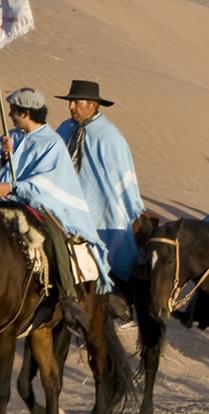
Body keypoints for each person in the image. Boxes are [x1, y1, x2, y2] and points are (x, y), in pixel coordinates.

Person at [0, 89, 112, 312]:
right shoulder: (11, 137)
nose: (10, 115)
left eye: (13, 111)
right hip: (2, 201)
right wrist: (3, 156)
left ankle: (68, 295)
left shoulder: (51, 143)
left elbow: (47, 183)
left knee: (53, 237)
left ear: (25, 112)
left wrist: (14, 187)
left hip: (36, 204)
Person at [54, 80, 145, 284]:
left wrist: (132, 207)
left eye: (76, 103)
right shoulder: (65, 128)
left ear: (93, 106)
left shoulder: (110, 137)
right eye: (70, 102)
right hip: (66, 206)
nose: (71, 107)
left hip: (101, 210)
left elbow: (122, 177)